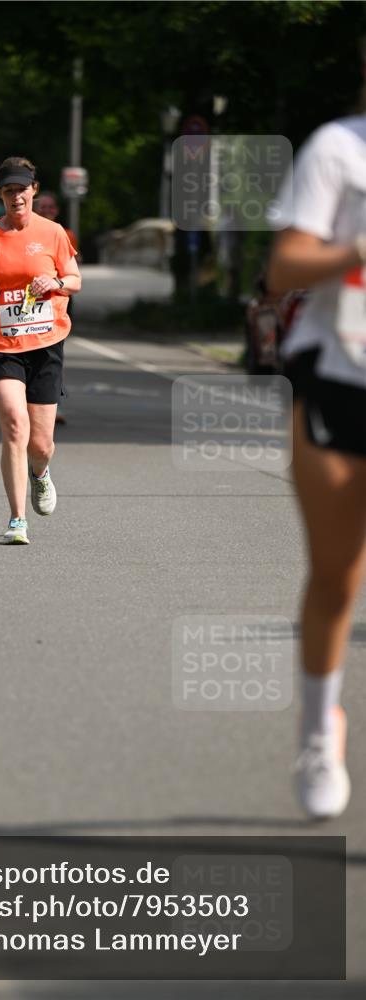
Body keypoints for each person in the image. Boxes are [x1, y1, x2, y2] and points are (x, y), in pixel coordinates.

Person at [268, 110, 366, 820]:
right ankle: (316, 733)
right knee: (337, 574)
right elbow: (283, 268)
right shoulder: (339, 149)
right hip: (343, 373)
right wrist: (354, 250)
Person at [0, 157, 81, 544]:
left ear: (34, 190)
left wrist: (56, 281)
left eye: (21, 190)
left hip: (45, 344)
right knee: (13, 423)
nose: (16, 197)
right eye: (8, 191)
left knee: (41, 444)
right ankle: (16, 519)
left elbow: (75, 279)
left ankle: (40, 473)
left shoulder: (53, 232)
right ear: (1, 196)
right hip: (0, 344)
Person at [33, 190, 80, 426]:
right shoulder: (24, 232)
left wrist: (55, 282)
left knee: (53, 354)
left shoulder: (65, 234)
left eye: (51, 207)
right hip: (28, 302)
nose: (46, 210)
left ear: (57, 211)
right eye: (42, 207)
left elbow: (72, 270)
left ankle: (52, 405)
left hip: (58, 300)